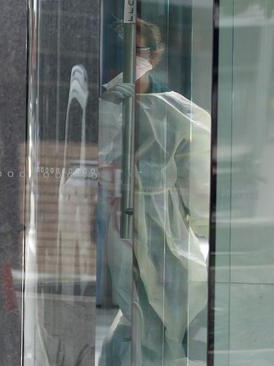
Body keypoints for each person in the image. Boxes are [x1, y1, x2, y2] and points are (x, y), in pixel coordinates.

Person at [97, 18, 210, 365]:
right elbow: (95, 162)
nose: (135, 58)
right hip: (119, 217)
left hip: (165, 219)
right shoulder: (106, 101)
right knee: (137, 307)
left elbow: (197, 173)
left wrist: (201, 221)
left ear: (157, 55)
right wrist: (109, 112)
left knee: (176, 302)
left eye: (141, 50)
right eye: (127, 51)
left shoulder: (173, 108)